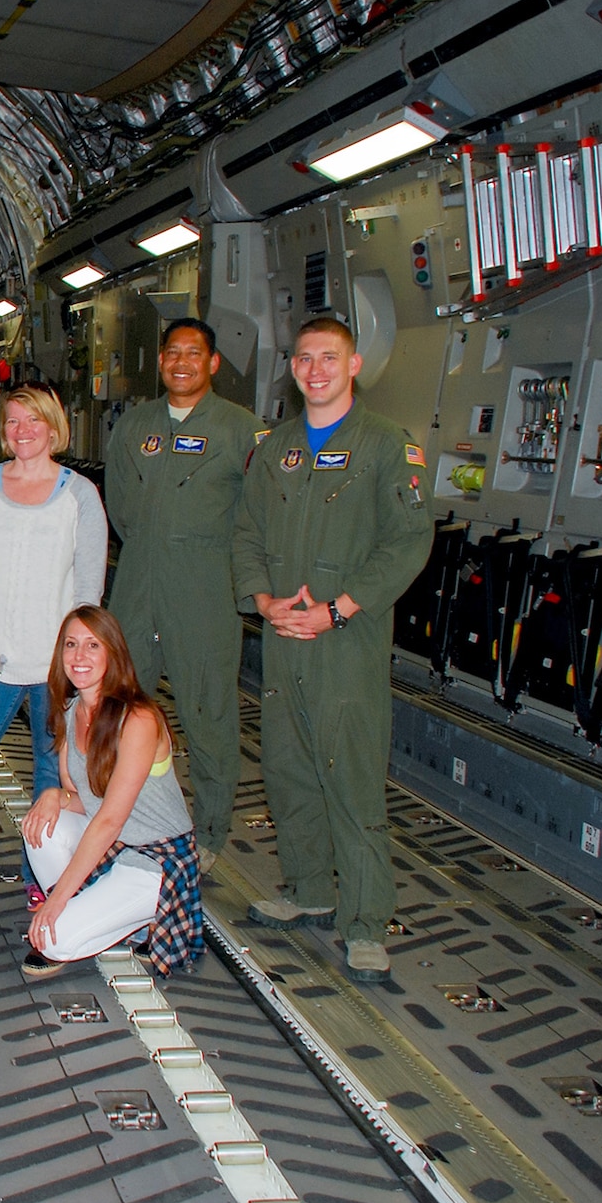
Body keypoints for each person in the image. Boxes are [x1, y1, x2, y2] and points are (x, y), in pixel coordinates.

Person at [232, 317, 434, 984]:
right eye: (304, 359)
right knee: (288, 767)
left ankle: (367, 922)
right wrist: (261, 601)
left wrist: (339, 610)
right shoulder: (279, 446)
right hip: (285, 638)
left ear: (355, 365)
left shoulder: (385, 446)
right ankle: (309, 888)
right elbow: (248, 531)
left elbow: (407, 543)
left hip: (347, 641)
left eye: (329, 358)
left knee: (350, 777)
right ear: (291, 368)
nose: (315, 369)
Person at [104, 321, 264, 875]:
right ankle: (121, 821)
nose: (180, 362)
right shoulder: (135, 426)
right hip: (139, 582)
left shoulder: (241, 430)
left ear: (213, 364)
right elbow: (121, 505)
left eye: (193, 354)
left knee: (209, 713)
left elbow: (254, 516)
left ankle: (212, 831)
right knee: (122, 709)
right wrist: (156, 545)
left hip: (205, 590)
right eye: (172, 351)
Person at [0, 383, 107, 903]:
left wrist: (80, 658)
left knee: (52, 771)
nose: (22, 432)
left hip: (57, 666)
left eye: (33, 421)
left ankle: (44, 876)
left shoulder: (79, 493)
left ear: (54, 427)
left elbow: (88, 588)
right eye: (13, 422)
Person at [22, 605, 204, 977]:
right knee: (41, 827)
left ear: (113, 653)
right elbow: (82, 799)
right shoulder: (72, 710)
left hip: (155, 861)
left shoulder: (139, 719)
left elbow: (108, 820)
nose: (79, 656)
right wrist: (53, 795)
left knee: (53, 940)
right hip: (116, 851)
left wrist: (55, 902)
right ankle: (116, 918)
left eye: (93, 645)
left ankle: (148, 914)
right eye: (71, 644)